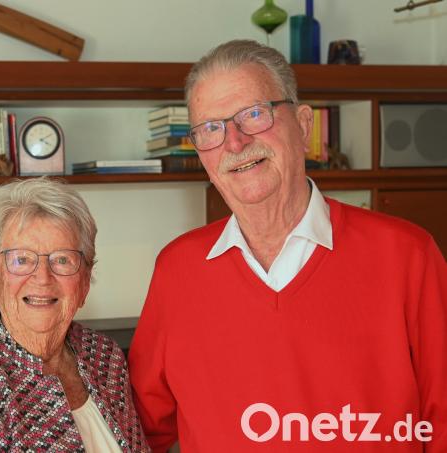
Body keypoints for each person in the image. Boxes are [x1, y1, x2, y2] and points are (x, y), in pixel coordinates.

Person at [128, 40, 446, 452]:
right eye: (211, 129)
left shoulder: (407, 255)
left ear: (303, 125)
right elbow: (138, 430)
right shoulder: (177, 270)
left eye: (254, 115)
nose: (235, 143)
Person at [0, 178, 148, 451]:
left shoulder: (105, 356)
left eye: (62, 259)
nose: (43, 278)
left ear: (84, 281)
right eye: (21, 259)